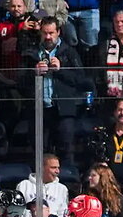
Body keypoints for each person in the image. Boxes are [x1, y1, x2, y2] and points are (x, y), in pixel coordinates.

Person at [22, 16, 89, 167]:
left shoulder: (69, 52)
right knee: (39, 150)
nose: (48, 37)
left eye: (51, 33)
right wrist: (34, 72)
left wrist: (61, 70)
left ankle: (67, 185)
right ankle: (39, 184)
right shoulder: (31, 52)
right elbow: (21, 82)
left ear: (58, 32)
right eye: (45, 33)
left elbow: (82, 81)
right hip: (39, 110)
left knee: (66, 149)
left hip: (63, 111)